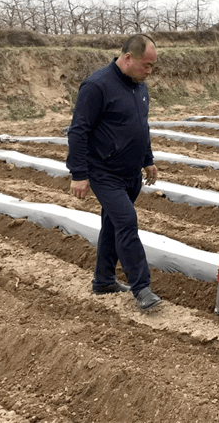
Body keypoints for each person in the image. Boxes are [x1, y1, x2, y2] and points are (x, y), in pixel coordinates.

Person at [66, 33, 162, 311]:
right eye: (146, 65)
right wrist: (79, 173)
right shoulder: (97, 86)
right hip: (104, 172)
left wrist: (148, 160)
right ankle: (142, 288)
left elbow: (140, 128)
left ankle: (104, 280)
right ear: (128, 58)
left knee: (113, 224)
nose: (149, 71)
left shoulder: (139, 87)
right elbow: (78, 131)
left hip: (130, 173)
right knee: (126, 222)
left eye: (153, 66)